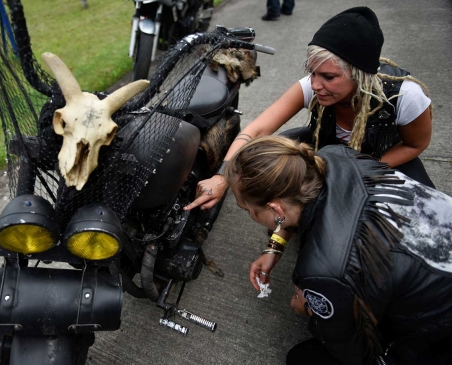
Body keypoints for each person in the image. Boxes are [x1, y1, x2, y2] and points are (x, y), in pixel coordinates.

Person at [185, 7, 434, 245]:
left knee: (421, 225)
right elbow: (258, 130)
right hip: (325, 156)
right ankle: (286, 229)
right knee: (275, 156)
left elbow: (416, 144)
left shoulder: (405, 96)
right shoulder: (312, 86)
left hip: (381, 161)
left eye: (328, 77)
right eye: (312, 73)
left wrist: (363, 173)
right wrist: (222, 176)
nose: (315, 85)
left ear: (360, 75)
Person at [225, 135, 452, 364]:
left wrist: (311, 308)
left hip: (439, 331)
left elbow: (357, 353)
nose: (251, 216)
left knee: (303, 358)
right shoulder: (333, 155)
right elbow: (292, 211)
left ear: (276, 209)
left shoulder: (324, 270)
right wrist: (275, 247)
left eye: (247, 209)